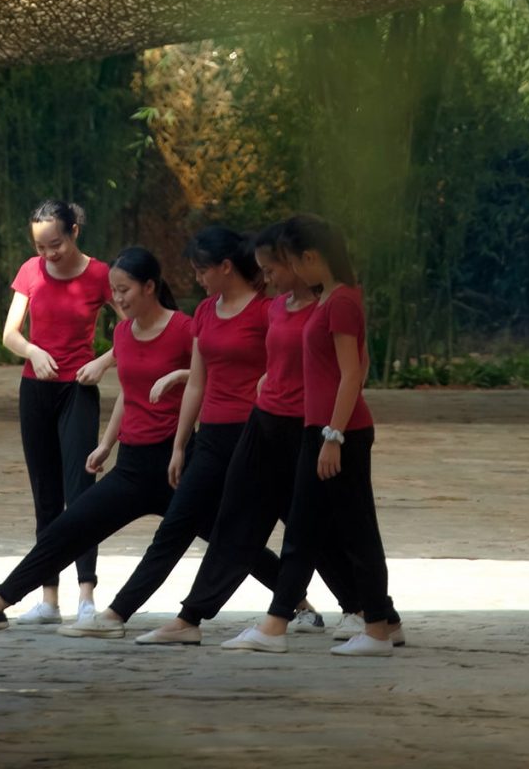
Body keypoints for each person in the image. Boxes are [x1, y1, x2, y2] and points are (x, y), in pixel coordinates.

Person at [132, 222, 376, 648]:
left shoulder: (329, 306)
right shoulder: (279, 307)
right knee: (236, 518)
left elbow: (355, 367)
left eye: (273, 267)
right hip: (263, 421)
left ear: (302, 262)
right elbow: (259, 359)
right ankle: (192, 616)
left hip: (308, 427)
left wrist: (333, 433)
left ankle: (361, 610)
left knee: (318, 525)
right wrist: (267, 380)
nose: (266, 277)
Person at [63, 224, 298, 638]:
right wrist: (179, 445)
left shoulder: (266, 310)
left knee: (297, 523)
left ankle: (362, 607)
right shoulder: (206, 313)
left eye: (201, 270)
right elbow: (198, 383)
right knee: (179, 523)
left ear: (225, 266)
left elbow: (286, 362)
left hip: (260, 435)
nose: (196, 278)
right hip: (211, 438)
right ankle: (133, 615)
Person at [0, 247, 191, 628]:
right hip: (131, 467)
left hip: (176, 466)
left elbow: (206, 379)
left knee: (229, 536)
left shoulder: (183, 328)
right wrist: (105, 445)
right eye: (113, 290)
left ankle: (293, 604)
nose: (117, 298)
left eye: (124, 289)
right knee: (69, 527)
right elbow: (129, 395)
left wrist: (180, 440)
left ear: (150, 287)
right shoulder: (123, 333)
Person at [222, 213, 401, 657]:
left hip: (340, 435)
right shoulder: (332, 299)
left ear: (312, 257)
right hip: (319, 431)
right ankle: (283, 624)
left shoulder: (341, 302)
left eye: (291, 263)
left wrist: (334, 436)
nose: (291, 274)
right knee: (306, 529)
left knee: (355, 533)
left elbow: (352, 373)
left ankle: (375, 629)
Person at [1, 198, 112, 626]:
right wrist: (33, 351)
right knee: (45, 495)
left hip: (78, 392)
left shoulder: (101, 275)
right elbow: (10, 334)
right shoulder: (30, 271)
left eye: (56, 245)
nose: (48, 255)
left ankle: (87, 595)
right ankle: (49, 598)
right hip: (35, 390)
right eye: (41, 246)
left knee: (80, 492)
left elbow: (137, 328)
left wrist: (102, 361)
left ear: (74, 233)